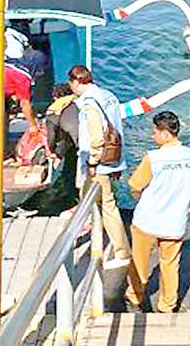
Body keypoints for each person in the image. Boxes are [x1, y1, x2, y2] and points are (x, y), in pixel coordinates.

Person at [125, 111, 190, 313]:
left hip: (147, 220)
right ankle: (168, 304)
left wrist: (140, 198)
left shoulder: (153, 158)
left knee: (139, 263)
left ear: (166, 133)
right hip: (174, 221)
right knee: (170, 264)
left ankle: (135, 295)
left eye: (155, 131)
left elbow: (135, 185)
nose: (152, 135)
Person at [69, 65, 131, 267]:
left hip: (98, 163)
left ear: (77, 82)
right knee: (98, 201)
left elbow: (96, 136)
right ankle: (92, 231)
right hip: (114, 158)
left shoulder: (89, 102)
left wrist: (94, 160)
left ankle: (121, 252)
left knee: (104, 204)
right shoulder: (108, 95)